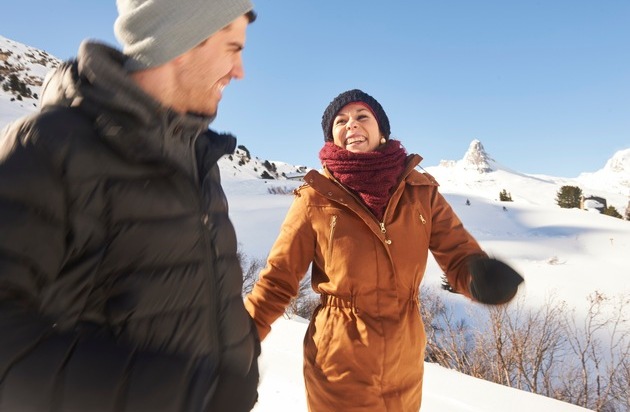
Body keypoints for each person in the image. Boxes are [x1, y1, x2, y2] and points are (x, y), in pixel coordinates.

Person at [0, 1, 260, 411]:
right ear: (182, 40)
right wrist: (185, 394)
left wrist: (244, 358)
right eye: (233, 48)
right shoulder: (49, 147)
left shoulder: (199, 159)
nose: (240, 71)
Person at [245, 89, 524, 411]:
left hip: (404, 360)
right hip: (338, 362)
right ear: (332, 138)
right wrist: (241, 339)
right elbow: (278, 279)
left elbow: (458, 252)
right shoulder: (314, 198)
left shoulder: (421, 192)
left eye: (362, 116)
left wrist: (480, 279)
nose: (352, 124)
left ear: (382, 132)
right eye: (341, 121)